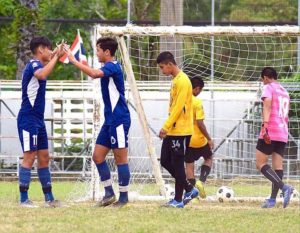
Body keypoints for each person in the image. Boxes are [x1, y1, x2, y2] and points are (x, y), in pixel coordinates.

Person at [64, 37, 131, 207]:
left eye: (98, 50)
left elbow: (94, 74)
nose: (97, 53)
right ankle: (109, 194)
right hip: (109, 121)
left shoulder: (113, 67)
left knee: (120, 159)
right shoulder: (107, 67)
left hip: (119, 119)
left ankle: (123, 198)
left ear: (107, 52)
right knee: (98, 156)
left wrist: (73, 60)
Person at [17, 36, 64, 207]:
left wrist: (57, 53)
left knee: (44, 157)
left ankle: (49, 198)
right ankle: (23, 199)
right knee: (29, 156)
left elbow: (48, 64)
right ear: (41, 50)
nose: (51, 52)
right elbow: (42, 74)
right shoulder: (34, 65)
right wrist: (57, 57)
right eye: (50, 49)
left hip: (38, 120)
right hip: (28, 118)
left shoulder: (41, 63)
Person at [157, 51, 199, 208]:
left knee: (177, 163)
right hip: (173, 130)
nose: (162, 71)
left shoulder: (183, 81)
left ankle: (179, 200)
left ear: (170, 64)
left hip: (180, 131)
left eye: (162, 67)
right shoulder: (175, 80)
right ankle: (189, 188)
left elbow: (178, 107)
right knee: (166, 160)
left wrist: (165, 126)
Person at [256, 67, 294, 208]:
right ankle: (272, 200)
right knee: (277, 166)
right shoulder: (284, 91)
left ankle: (285, 188)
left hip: (271, 130)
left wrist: (265, 125)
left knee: (260, 164)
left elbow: (267, 106)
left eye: (262, 79)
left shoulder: (268, 88)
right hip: (283, 131)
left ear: (265, 77)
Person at [185, 76, 213, 199]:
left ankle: (192, 195)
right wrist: (209, 138)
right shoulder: (197, 102)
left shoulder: (182, 99)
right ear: (196, 88)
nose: (199, 93)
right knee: (209, 158)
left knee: (189, 166)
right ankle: (201, 181)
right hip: (199, 140)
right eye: (200, 90)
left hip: (186, 139)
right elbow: (200, 123)